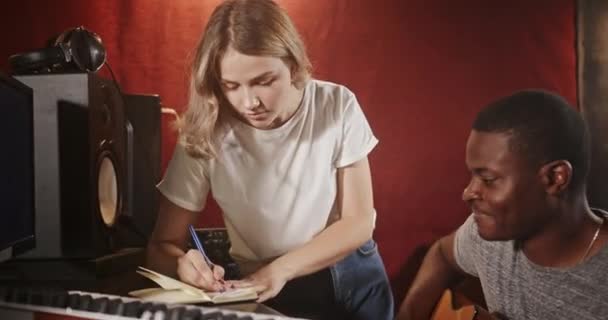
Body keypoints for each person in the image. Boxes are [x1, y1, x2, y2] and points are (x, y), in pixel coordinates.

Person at [145, 0, 394, 319]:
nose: (249, 102)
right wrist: (182, 265)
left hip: (351, 277)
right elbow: (161, 246)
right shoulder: (206, 127)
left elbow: (358, 223)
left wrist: (280, 270)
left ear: (293, 66)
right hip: (263, 285)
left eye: (264, 81)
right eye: (231, 86)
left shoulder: (336, 105)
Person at [397, 89, 608, 320]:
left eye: (488, 180)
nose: (468, 193)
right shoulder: (489, 235)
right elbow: (442, 254)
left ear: (555, 177)